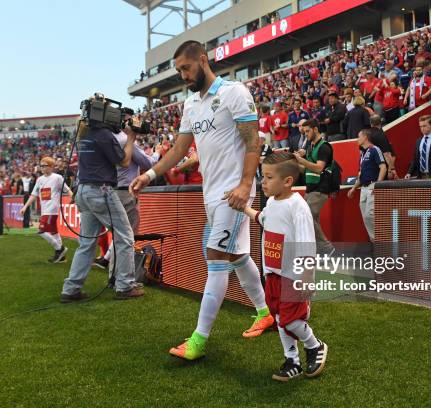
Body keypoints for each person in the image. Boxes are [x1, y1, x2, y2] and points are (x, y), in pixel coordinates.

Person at [130, 41, 274, 361]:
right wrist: (149, 175)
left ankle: (198, 340)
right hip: (211, 195)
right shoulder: (191, 104)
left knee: (215, 257)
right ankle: (265, 312)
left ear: (203, 60)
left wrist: (246, 184)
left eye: (186, 67)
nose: (183, 75)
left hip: (234, 193)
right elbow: (179, 150)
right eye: (179, 69)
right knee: (236, 257)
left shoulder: (234, 93)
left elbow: (253, 143)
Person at [243, 151, 327, 381]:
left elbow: (306, 243)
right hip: (273, 274)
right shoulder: (271, 202)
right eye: (263, 176)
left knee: (291, 319)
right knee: (279, 316)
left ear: (288, 181)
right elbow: (263, 218)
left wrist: (307, 277)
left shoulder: (297, 206)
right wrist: (243, 208)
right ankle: (293, 360)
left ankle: (314, 345)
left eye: (269, 177)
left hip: (293, 276)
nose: (263, 181)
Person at [60, 109, 143, 303]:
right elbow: (123, 162)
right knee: (125, 236)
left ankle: (71, 289)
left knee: (87, 243)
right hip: (101, 191)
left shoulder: (84, 134)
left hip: (84, 191)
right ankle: (125, 286)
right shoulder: (103, 134)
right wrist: (130, 137)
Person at [93, 127, 162, 270]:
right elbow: (148, 163)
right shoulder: (125, 140)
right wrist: (158, 153)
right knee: (128, 236)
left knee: (120, 234)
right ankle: (121, 277)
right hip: (126, 191)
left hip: (110, 190)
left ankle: (109, 267)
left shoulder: (104, 139)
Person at [294, 119, 335, 256]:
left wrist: (301, 160)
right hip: (310, 189)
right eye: (304, 132)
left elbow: (318, 168)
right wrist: (293, 164)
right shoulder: (311, 146)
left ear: (315, 129)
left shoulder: (324, 147)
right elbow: (306, 169)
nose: (305, 134)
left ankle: (327, 248)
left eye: (307, 131)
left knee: (308, 218)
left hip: (320, 188)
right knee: (311, 220)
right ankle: (319, 250)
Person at [19, 156, 72, 263]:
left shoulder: (57, 177)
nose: (42, 168)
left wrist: (73, 197)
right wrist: (25, 206)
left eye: (45, 166)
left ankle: (59, 249)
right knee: (54, 232)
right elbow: (34, 195)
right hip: (44, 210)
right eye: (41, 166)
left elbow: (67, 189)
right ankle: (61, 257)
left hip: (52, 209)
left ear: (52, 167)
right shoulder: (40, 179)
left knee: (41, 230)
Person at [347, 129, 387, 241]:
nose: (357, 139)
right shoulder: (363, 154)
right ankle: (374, 241)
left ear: (365, 137)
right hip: (363, 188)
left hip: (372, 186)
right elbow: (361, 175)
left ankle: (381, 240)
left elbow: (383, 167)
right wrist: (354, 188)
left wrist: (378, 185)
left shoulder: (375, 149)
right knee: (365, 216)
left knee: (370, 214)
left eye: (359, 137)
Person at [369, 115, 397, 179]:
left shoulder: (366, 135)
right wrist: (390, 170)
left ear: (370, 123)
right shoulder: (380, 135)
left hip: (370, 169)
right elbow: (387, 154)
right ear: (380, 122)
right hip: (382, 170)